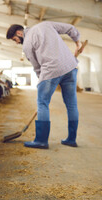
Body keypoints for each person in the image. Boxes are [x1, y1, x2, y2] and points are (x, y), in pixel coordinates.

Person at [6, 21, 84, 149]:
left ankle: (41, 140)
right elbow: (70, 28)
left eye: (15, 39)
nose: (17, 42)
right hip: (70, 67)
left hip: (51, 70)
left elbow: (37, 67)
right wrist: (77, 42)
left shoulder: (26, 45)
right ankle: (71, 139)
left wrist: (42, 81)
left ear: (19, 33)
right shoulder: (46, 25)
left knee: (42, 103)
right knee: (72, 105)